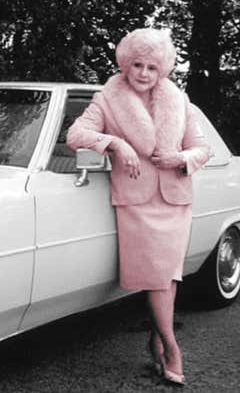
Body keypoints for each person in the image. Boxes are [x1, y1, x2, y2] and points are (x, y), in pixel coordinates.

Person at [66, 28, 210, 385]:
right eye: (137, 65)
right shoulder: (107, 99)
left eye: (151, 67)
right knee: (160, 277)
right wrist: (116, 143)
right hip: (137, 201)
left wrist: (181, 157)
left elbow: (202, 148)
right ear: (125, 65)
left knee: (167, 277)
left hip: (176, 199)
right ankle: (172, 347)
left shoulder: (180, 99)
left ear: (162, 69)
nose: (144, 73)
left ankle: (157, 339)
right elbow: (75, 135)